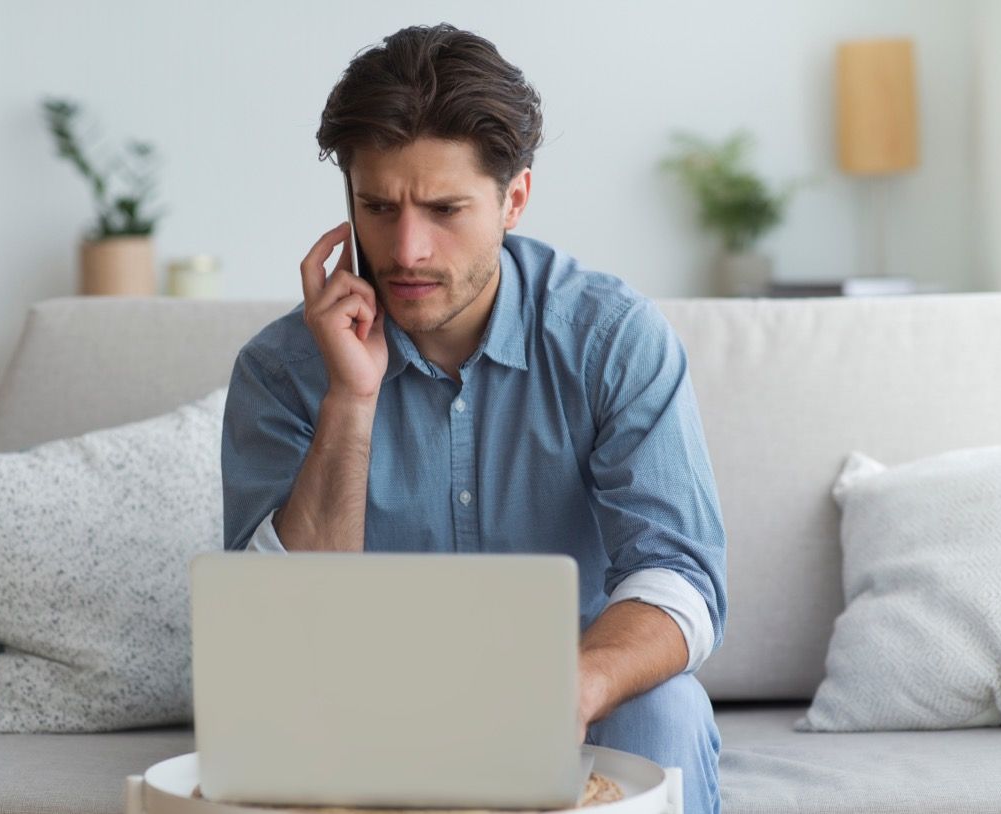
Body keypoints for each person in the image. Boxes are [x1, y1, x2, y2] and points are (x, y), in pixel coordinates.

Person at [221, 23, 727, 814]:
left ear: (514, 199)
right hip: (358, 717)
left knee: (668, 709)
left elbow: (682, 578)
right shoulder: (283, 368)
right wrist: (350, 401)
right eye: (378, 208)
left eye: (445, 208)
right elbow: (276, 635)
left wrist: (574, 686)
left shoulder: (612, 340)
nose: (407, 249)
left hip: (574, 704)